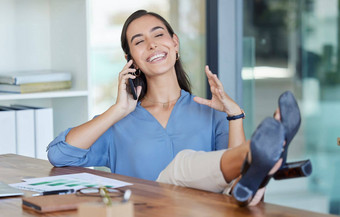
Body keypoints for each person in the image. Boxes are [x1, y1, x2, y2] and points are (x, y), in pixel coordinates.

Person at [47, 10, 305, 206]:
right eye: (139, 42)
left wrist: (234, 115)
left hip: (205, 211)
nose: (152, 44)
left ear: (175, 43)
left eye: (158, 35)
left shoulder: (208, 112)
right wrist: (117, 110)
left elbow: (231, 178)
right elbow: (60, 155)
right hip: (147, 211)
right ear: (130, 60)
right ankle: (263, 158)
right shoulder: (118, 122)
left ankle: (258, 167)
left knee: (237, 184)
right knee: (182, 167)